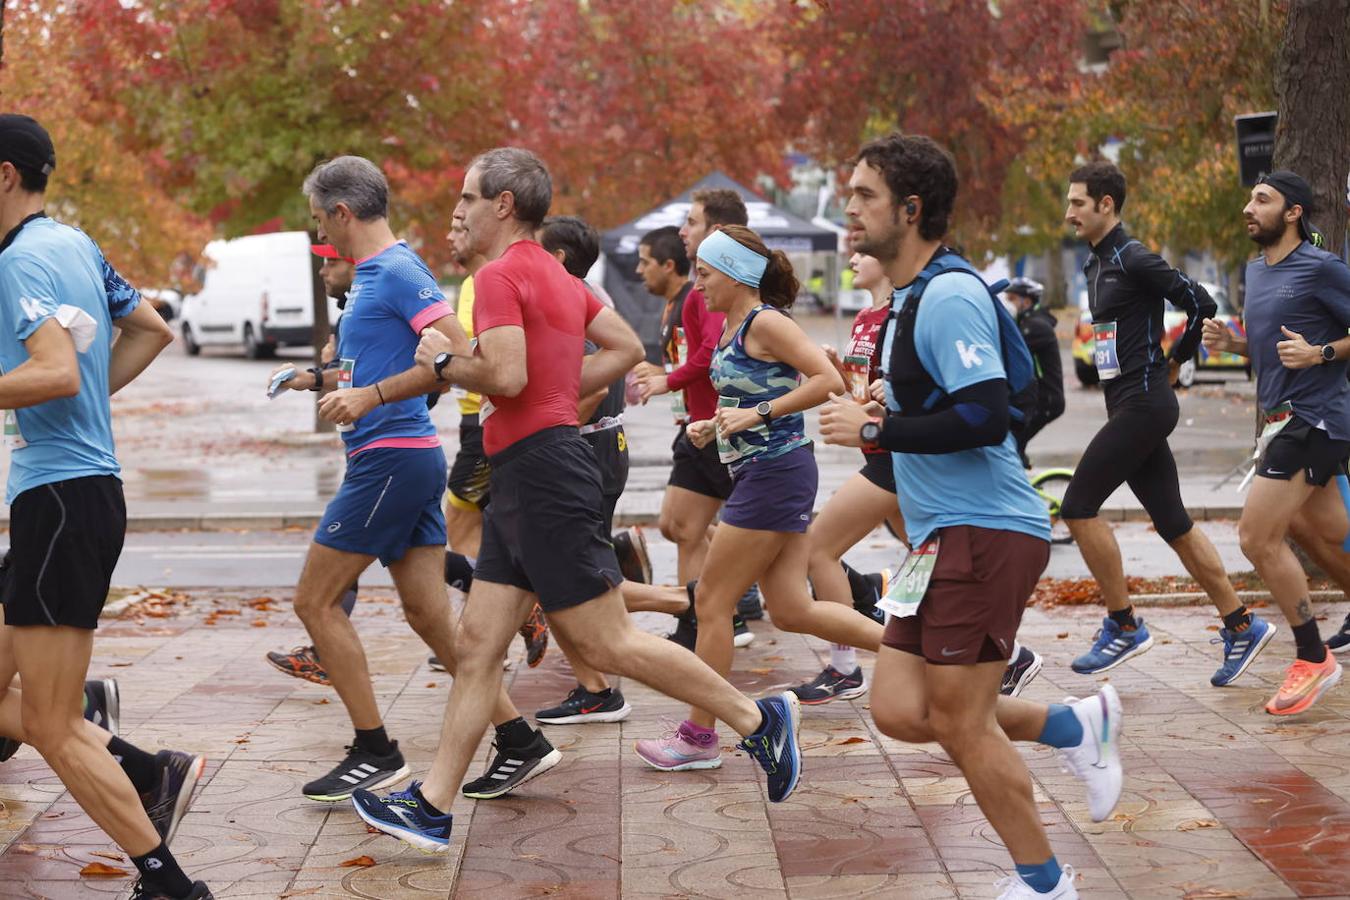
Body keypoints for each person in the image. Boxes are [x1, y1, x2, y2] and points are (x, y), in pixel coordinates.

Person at [351, 148, 804, 853]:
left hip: (541, 473)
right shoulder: (561, 278)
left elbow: (502, 373)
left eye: (468, 197)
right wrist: (560, 390)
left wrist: (440, 360)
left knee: (607, 641)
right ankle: (433, 804)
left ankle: (758, 719)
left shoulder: (500, 274)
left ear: (504, 205)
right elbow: (621, 346)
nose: (459, 210)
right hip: (526, 473)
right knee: (477, 646)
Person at [820, 133, 1124, 899]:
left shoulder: (950, 294)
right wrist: (887, 408)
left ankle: (1046, 884)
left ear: (911, 210)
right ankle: (1072, 728)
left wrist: (873, 429)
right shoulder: (908, 298)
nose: (848, 208)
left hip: (984, 530)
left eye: (864, 195)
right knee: (895, 707)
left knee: (960, 721)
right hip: (937, 538)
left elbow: (987, 416)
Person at [273, 155, 558, 804]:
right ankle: (519, 740)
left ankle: (374, 750)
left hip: (391, 460)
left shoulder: (398, 270)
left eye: (322, 220)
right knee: (430, 617)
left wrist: (372, 396)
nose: (323, 232)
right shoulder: (375, 275)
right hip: (396, 457)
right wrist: (337, 381)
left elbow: (457, 354)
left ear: (343, 214)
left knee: (314, 603)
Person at [0, 114, 210, 900]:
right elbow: (151, 326)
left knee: (52, 725)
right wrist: (90, 401)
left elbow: (53, 371)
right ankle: (146, 767)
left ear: (5, 174)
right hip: (76, 495)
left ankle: (169, 883)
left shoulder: (19, 262)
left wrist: (69, 397)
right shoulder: (74, 245)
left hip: (58, 503)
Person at [634, 224, 905, 771]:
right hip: (763, 471)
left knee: (711, 602)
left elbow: (826, 379)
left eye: (706, 275)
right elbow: (753, 392)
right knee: (792, 609)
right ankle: (917, 652)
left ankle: (698, 736)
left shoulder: (766, 321)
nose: (699, 285)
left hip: (774, 475)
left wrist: (756, 415)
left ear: (736, 274)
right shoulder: (735, 323)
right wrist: (715, 425)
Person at [1059, 160, 1273, 685]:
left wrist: (1180, 357)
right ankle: (1241, 624)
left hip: (1146, 405)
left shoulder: (1133, 257)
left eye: (1077, 204)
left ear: (1106, 205)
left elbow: (1200, 301)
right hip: (1127, 404)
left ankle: (1124, 624)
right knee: (1175, 523)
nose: (1069, 214)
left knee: (1078, 507)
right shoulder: (1095, 264)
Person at [1203, 170, 1350, 714]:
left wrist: (1322, 355)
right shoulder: (1254, 271)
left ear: (1293, 212)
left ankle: (1313, 657)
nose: (1249, 207)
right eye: (1249, 198)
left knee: (1256, 536)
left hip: (1315, 420)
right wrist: (1234, 345)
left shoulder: (1322, 267)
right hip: (1278, 420)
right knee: (1325, 533)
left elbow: (1321, 347)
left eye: (1262, 200)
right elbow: (1269, 350)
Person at [638, 199, 762, 636]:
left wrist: (667, 381)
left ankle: (727, 608)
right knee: (680, 524)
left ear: (719, 231)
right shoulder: (696, 294)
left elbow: (709, 355)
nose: (682, 229)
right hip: (700, 426)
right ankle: (702, 616)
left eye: (691, 222)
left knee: (787, 565)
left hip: (728, 432)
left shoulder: (723, 299)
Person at [265, 242, 360, 686]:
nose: (323, 270)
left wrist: (342, 378)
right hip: (374, 455)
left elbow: (420, 380)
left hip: (387, 457)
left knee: (316, 594)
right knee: (421, 585)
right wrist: (311, 377)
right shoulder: (353, 312)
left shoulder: (375, 304)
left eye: (331, 260)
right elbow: (353, 374)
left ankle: (325, 653)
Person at [1003, 277, 1065, 468]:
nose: (1008, 303)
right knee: (1013, 445)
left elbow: (1008, 355)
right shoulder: (1029, 322)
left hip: (1046, 400)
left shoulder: (1035, 327)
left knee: (1012, 445)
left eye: (1012, 298)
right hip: (1040, 398)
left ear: (1027, 301)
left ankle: (1023, 492)